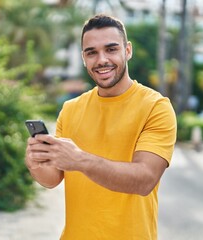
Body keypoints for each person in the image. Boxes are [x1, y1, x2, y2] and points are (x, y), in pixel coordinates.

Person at [25, 14, 177, 240]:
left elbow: (145, 179)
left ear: (127, 51)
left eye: (111, 49)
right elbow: (53, 178)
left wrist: (79, 159)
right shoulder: (71, 109)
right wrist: (35, 163)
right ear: (84, 58)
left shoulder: (156, 107)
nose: (101, 60)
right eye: (91, 52)